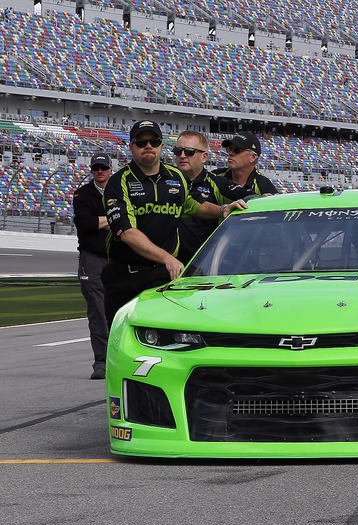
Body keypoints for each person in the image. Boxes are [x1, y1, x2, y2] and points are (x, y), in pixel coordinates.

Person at [101, 120, 247, 327]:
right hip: (125, 275)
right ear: (131, 147)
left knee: (166, 336)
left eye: (154, 141)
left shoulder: (176, 176)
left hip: (163, 275)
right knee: (119, 339)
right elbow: (127, 232)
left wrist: (222, 209)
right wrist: (168, 258)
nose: (148, 146)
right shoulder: (119, 181)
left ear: (161, 146)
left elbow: (192, 206)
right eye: (141, 142)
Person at [172, 130, 249, 263]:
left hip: (202, 267)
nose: (183, 155)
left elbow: (251, 198)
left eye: (189, 151)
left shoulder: (217, 183)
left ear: (204, 156)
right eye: (178, 151)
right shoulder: (163, 182)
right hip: (166, 266)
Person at [72, 152, 112, 379]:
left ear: (109, 169)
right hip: (92, 259)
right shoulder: (83, 194)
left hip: (118, 257)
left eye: (103, 168)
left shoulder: (119, 190)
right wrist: (112, 219)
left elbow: (131, 217)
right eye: (96, 168)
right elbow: (85, 223)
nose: (100, 172)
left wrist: (101, 221)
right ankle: (101, 363)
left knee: (119, 311)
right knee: (97, 312)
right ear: (92, 170)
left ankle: (121, 360)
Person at [211, 131, 279, 196]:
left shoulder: (264, 185)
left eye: (237, 150)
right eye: (229, 149)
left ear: (253, 157)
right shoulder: (214, 177)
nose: (230, 153)